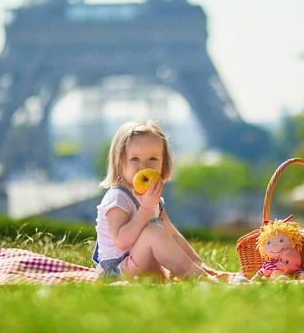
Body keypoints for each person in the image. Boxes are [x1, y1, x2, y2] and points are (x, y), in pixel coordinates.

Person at [93, 120, 220, 281]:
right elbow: (122, 242)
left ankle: (197, 271)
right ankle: (199, 278)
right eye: (135, 159)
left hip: (142, 266)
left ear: (163, 163)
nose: (144, 166)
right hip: (116, 272)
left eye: (153, 158)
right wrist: (145, 209)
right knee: (153, 231)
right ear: (119, 163)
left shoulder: (154, 199)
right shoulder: (118, 197)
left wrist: (198, 262)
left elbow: (172, 234)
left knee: (159, 231)